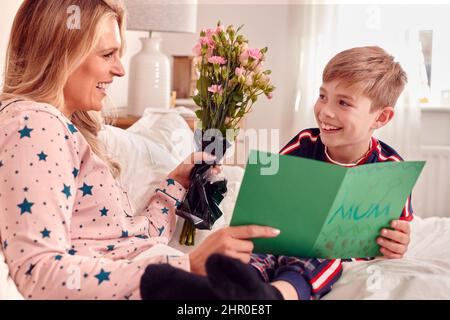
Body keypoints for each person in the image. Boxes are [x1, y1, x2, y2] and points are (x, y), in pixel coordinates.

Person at [0, 0, 280, 300]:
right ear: (60, 53)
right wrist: (188, 265)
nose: (119, 69)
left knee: (274, 271)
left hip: (158, 279)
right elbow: (37, 271)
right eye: (108, 54)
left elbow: (127, 242)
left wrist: (174, 185)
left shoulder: (66, 129)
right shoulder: (33, 124)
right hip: (160, 288)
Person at [141, 46, 413, 300]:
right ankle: (219, 290)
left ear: (381, 118)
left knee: (323, 258)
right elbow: (271, 193)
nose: (325, 111)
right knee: (253, 252)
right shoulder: (304, 143)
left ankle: (275, 296)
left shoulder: (390, 169)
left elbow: (397, 229)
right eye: (322, 96)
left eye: (343, 103)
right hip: (281, 239)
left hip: (328, 254)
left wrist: (397, 243)